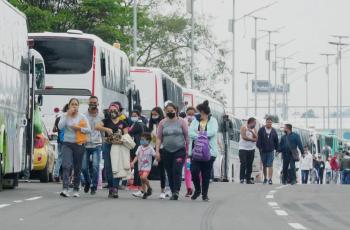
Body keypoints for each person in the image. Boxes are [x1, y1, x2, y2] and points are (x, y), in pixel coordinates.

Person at [58, 98, 91, 197]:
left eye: (76, 104)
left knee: (77, 167)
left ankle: (76, 189)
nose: (74, 106)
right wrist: (67, 114)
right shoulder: (65, 115)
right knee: (66, 165)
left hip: (79, 144)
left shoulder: (82, 117)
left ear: (78, 106)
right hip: (67, 143)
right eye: (72, 104)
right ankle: (65, 189)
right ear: (69, 106)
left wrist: (79, 128)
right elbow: (60, 127)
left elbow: (89, 130)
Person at [156, 103, 189, 200]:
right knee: (169, 172)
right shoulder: (162, 123)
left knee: (177, 170)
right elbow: (158, 138)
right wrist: (157, 151)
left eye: (172, 111)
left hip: (179, 150)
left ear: (176, 110)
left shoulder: (182, 122)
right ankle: (172, 189)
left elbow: (187, 137)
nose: (170, 112)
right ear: (165, 111)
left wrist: (188, 150)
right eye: (168, 111)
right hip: (166, 151)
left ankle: (176, 191)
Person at [96, 102, 129, 198]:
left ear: (119, 111)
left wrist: (121, 140)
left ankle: (115, 188)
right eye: (111, 110)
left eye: (115, 110)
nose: (113, 112)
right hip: (107, 145)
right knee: (108, 168)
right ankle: (110, 187)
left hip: (118, 146)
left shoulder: (123, 123)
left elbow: (126, 136)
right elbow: (96, 127)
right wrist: (106, 129)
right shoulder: (106, 121)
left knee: (117, 167)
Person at [189, 100, 218, 201]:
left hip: (209, 152)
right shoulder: (195, 120)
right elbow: (190, 133)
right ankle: (197, 189)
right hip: (196, 151)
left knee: (206, 174)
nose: (198, 114)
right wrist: (202, 135)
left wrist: (199, 134)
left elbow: (213, 132)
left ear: (204, 112)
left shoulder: (213, 120)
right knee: (194, 171)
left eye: (199, 112)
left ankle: (204, 194)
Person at [82, 96, 102, 195]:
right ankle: (87, 182)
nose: (93, 104)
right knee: (84, 167)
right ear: (88, 103)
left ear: (98, 103)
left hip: (96, 144)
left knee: (95, 166)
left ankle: (94, 186)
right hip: (85, 144)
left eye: (95, 102)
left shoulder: (101, 115)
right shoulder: (83, 115)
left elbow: (103, 129)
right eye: (91, 102)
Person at [148, 107, 170, 199]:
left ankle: (164, 190)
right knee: (146, 169)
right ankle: (144, 189)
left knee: (162, 170)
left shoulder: (164, 123)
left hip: (162, 148)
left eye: (156, 114)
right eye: (152, 114)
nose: (154, 116)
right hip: (151, 148)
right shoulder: (150, 125)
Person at [131, 133, 156, 199]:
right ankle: (144, 193)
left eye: (143, 140)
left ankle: (149, 188)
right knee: (142, 181)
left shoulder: (150, 148)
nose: (141, 141)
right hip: (140, 167)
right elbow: (137, 156)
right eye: (141, 139)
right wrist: (133, 162)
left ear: (148, 141)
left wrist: (157, 158)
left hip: (147, 167)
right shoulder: (139, 147)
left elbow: (154, 155)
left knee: (143, 178)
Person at [256, 117, 279, 185]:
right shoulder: (261, 130)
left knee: (270, 165)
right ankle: (265, 178)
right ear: (265, 123)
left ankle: (270, 179)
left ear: (272, 123)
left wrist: (277, 149)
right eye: (268, 122)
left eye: (270, 122)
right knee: (264, 165)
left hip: (271, 150)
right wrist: (260, 147)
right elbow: (258, 140)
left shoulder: (274, 131)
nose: (269, 123)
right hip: (263, 150)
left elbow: (276, 141)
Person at [129, 110, 147, 190]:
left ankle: (137, 182)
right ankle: (138, 181)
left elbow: (130, 132)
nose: (133, 117)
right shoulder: (142, 123)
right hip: (140, 145)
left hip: (137, 145)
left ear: (139, 116)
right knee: (138, 164)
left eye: (135, 115)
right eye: (132, 115)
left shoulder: (137, 124)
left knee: (137, 164)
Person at [238, 117, 257, 184]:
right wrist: (252, 139)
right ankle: (242, 178)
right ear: (250, 122)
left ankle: (248, 179)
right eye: (254, 123)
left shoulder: (254, 129)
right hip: (243, 148)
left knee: (249, 164)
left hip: (251, 149)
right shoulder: (244, 128)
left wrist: (252, 132)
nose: (255, 124)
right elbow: (244, 137)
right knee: (243, 163)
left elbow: (257, 138)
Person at [53, 104, 69, 182]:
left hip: (60, 140)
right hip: (68, 141)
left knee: (59, 158)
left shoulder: (58, 118)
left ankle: (56, 174)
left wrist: (59, 131)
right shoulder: (70, 118)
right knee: (67, 159)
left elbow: (54, 129)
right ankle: (64, 175)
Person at [183, 106, 197, 197]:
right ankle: (189, 188)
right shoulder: (182, 123)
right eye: (189, 114)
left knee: (197, 171)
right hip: (186, 150)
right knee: (187, 169)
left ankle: (198, 188)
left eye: (193, 114)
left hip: (197, 150)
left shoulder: (198, 123)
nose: (191, 116)